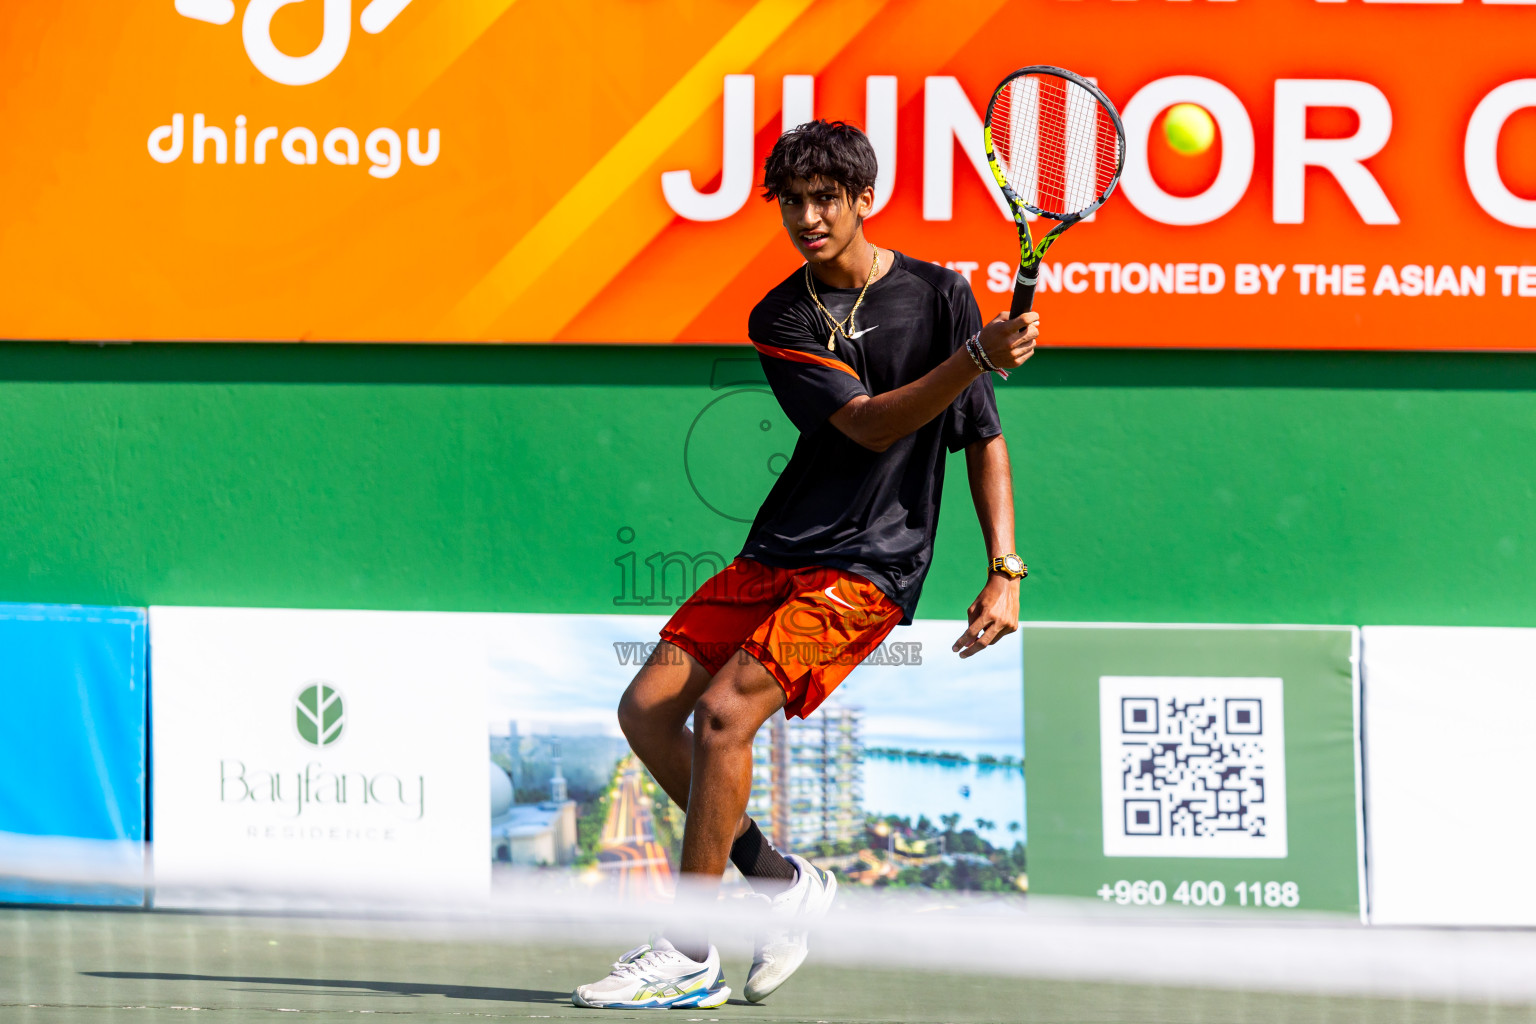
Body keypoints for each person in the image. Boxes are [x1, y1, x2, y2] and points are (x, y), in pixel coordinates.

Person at [572, 119, 1038, 1010]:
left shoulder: (943, 294)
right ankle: (780, 884)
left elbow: (982, 436)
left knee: (721, 714)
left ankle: (690, 948)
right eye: (793, 201)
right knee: (646, 708)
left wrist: (1004, 567)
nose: (808, 216)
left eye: (826, 198)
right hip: (780, 548)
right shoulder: (779, 315)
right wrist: (977, 355)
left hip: (874, 564)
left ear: (867, 199)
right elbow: (867, 423)